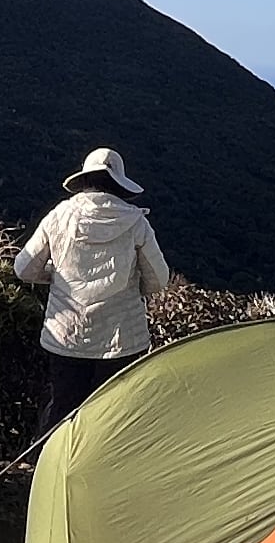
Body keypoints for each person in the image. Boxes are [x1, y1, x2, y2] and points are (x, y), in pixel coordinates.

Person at [14, 146, 173, 434]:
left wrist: (56, 277)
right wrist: (132, 287)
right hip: (121, 340)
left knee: (63, 411)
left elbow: (23, 268)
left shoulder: (58, 216)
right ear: (119, 183)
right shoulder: (137, 222)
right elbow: (159, 279)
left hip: (66, 335)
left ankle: (49, 472)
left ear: (85, 179)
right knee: (112, 418)